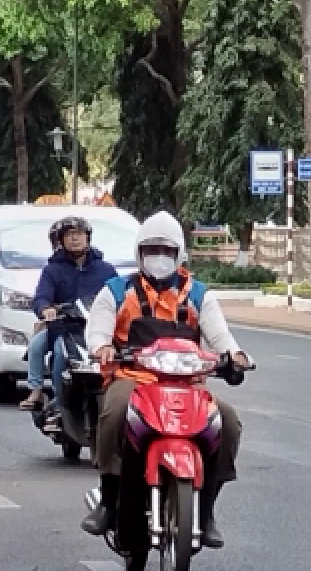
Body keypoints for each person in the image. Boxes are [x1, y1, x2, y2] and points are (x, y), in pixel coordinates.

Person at [81, 211, 248, 549]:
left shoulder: (198, 294)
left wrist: (235, 355)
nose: (159, 258)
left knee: (228, 422)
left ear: (179, 254)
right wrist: (102, 348)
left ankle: (206, 511)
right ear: (139, 253)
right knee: (113, 414)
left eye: (166, 251)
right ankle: (109, 500)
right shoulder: (116, 291)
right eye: (151, 250)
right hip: (133, 379)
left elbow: (220, 336)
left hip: (188, 383)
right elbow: (97, 329)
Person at [19, 216, 118, 415]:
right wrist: (46, 309)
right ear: (61, 240)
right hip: (62, 328)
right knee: (42, 347)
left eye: (79, 234)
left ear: (88, 238)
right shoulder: (52, 270)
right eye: (70, 235)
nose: (75, 238)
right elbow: (41, 297)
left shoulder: (105, 270)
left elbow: (118, 295)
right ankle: (42, 394)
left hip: (94, 327)